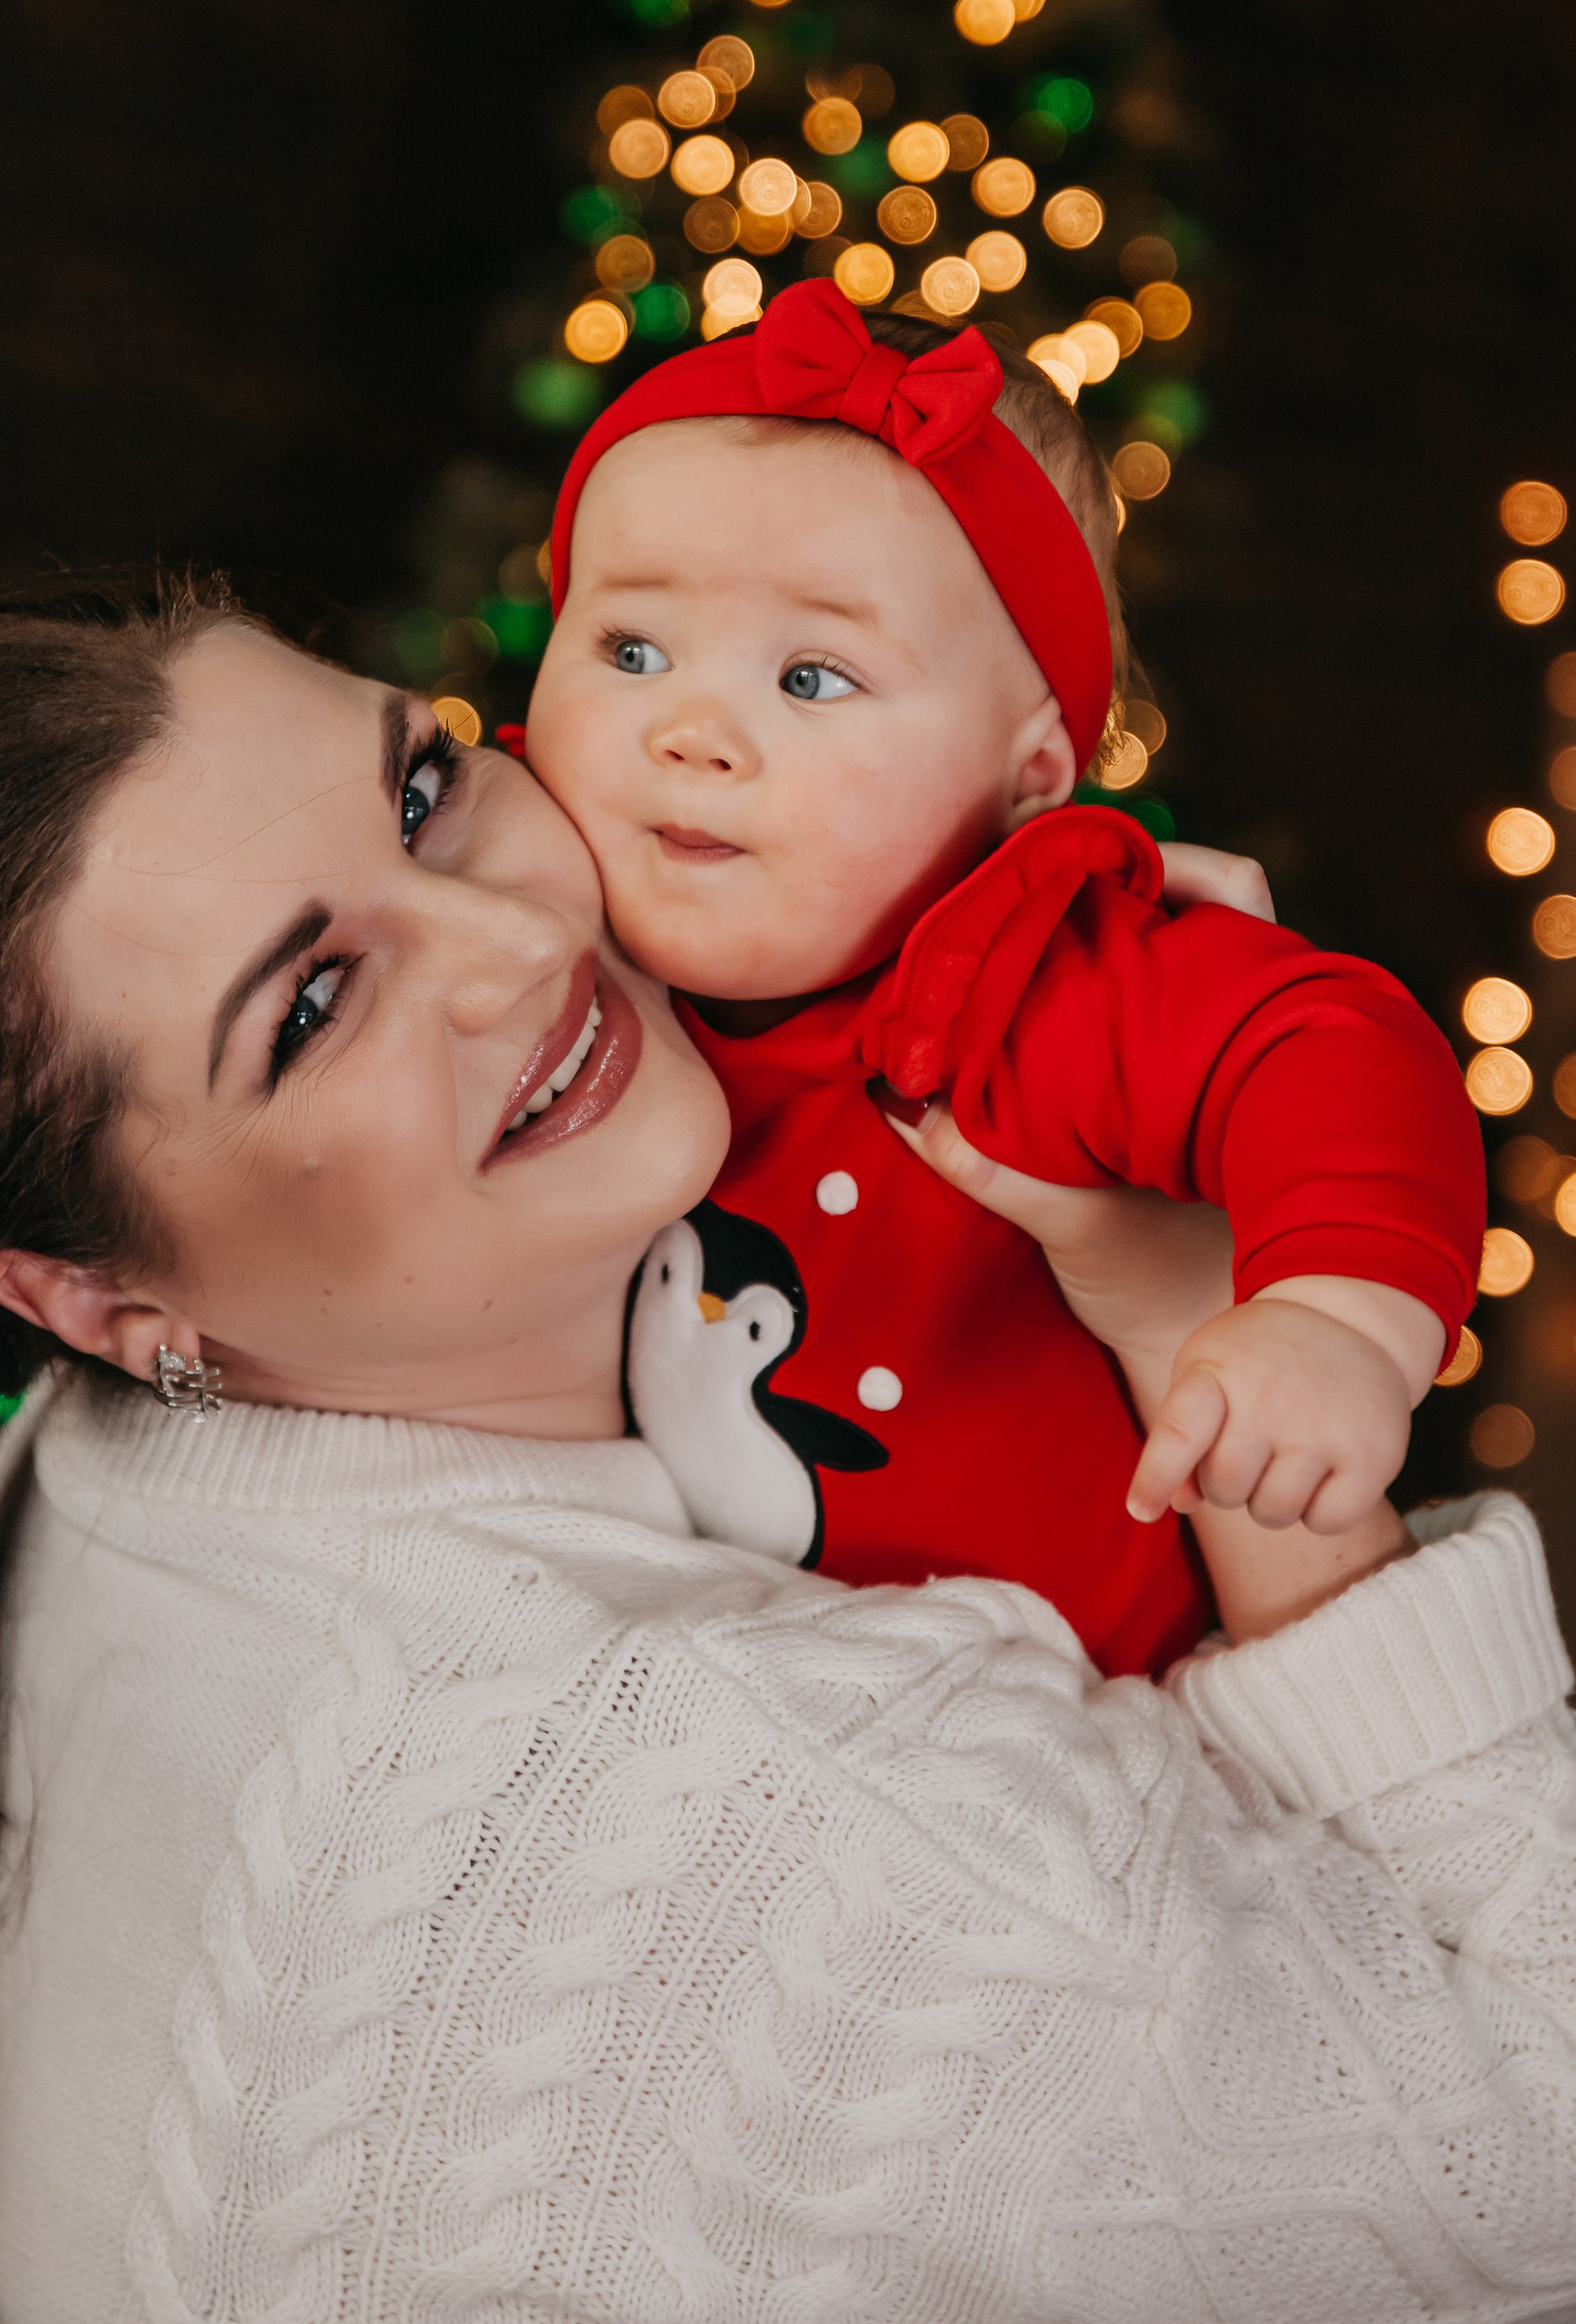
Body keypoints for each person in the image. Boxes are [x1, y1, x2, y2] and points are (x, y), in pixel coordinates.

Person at [0, 585, 1576, 2324]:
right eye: (313, 1002)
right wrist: (1199, 1329)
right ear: (87, 1294)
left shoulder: (59, 1484)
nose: (514, 943)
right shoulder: (766, 1818)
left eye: (424, 790)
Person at [521, 276, 1482, 1672]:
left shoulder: (1028, 980)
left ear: (1028, 776)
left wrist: (1335, 1318)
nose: (691, 729)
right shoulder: (522, 950)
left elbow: (1323, 1045)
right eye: (632, 648)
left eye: (813, 677)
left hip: (1079, 1715)